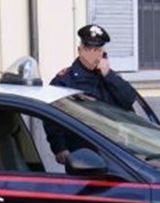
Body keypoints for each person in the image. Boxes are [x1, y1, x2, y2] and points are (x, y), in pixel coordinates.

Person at [47, 24, 139, 164]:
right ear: (80, 50)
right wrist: (60, 148)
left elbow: (129, 99)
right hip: (82, 155)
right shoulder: (64, 81)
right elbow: (52, 118)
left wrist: (108, 75)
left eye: (97, 50)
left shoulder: (109, 77)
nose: (93, 54)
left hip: (115, 153)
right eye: (88, 49)